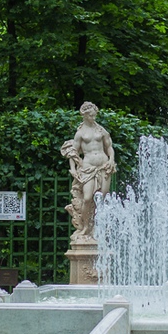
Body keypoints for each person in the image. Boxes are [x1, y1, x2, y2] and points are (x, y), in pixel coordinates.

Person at [61, 101, 116, 239]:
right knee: (87, 198)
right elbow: (73, 152)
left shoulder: (101, 130)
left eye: (94, 115)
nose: (93, 117)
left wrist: (111, 159)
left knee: (101, 198)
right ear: (84, 115)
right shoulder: (80, 133)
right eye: (91, 115)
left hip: (104, 166)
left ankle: (97, 226)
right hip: (88, 168)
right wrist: (73, 169)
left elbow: (109, 147)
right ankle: (85, 227)